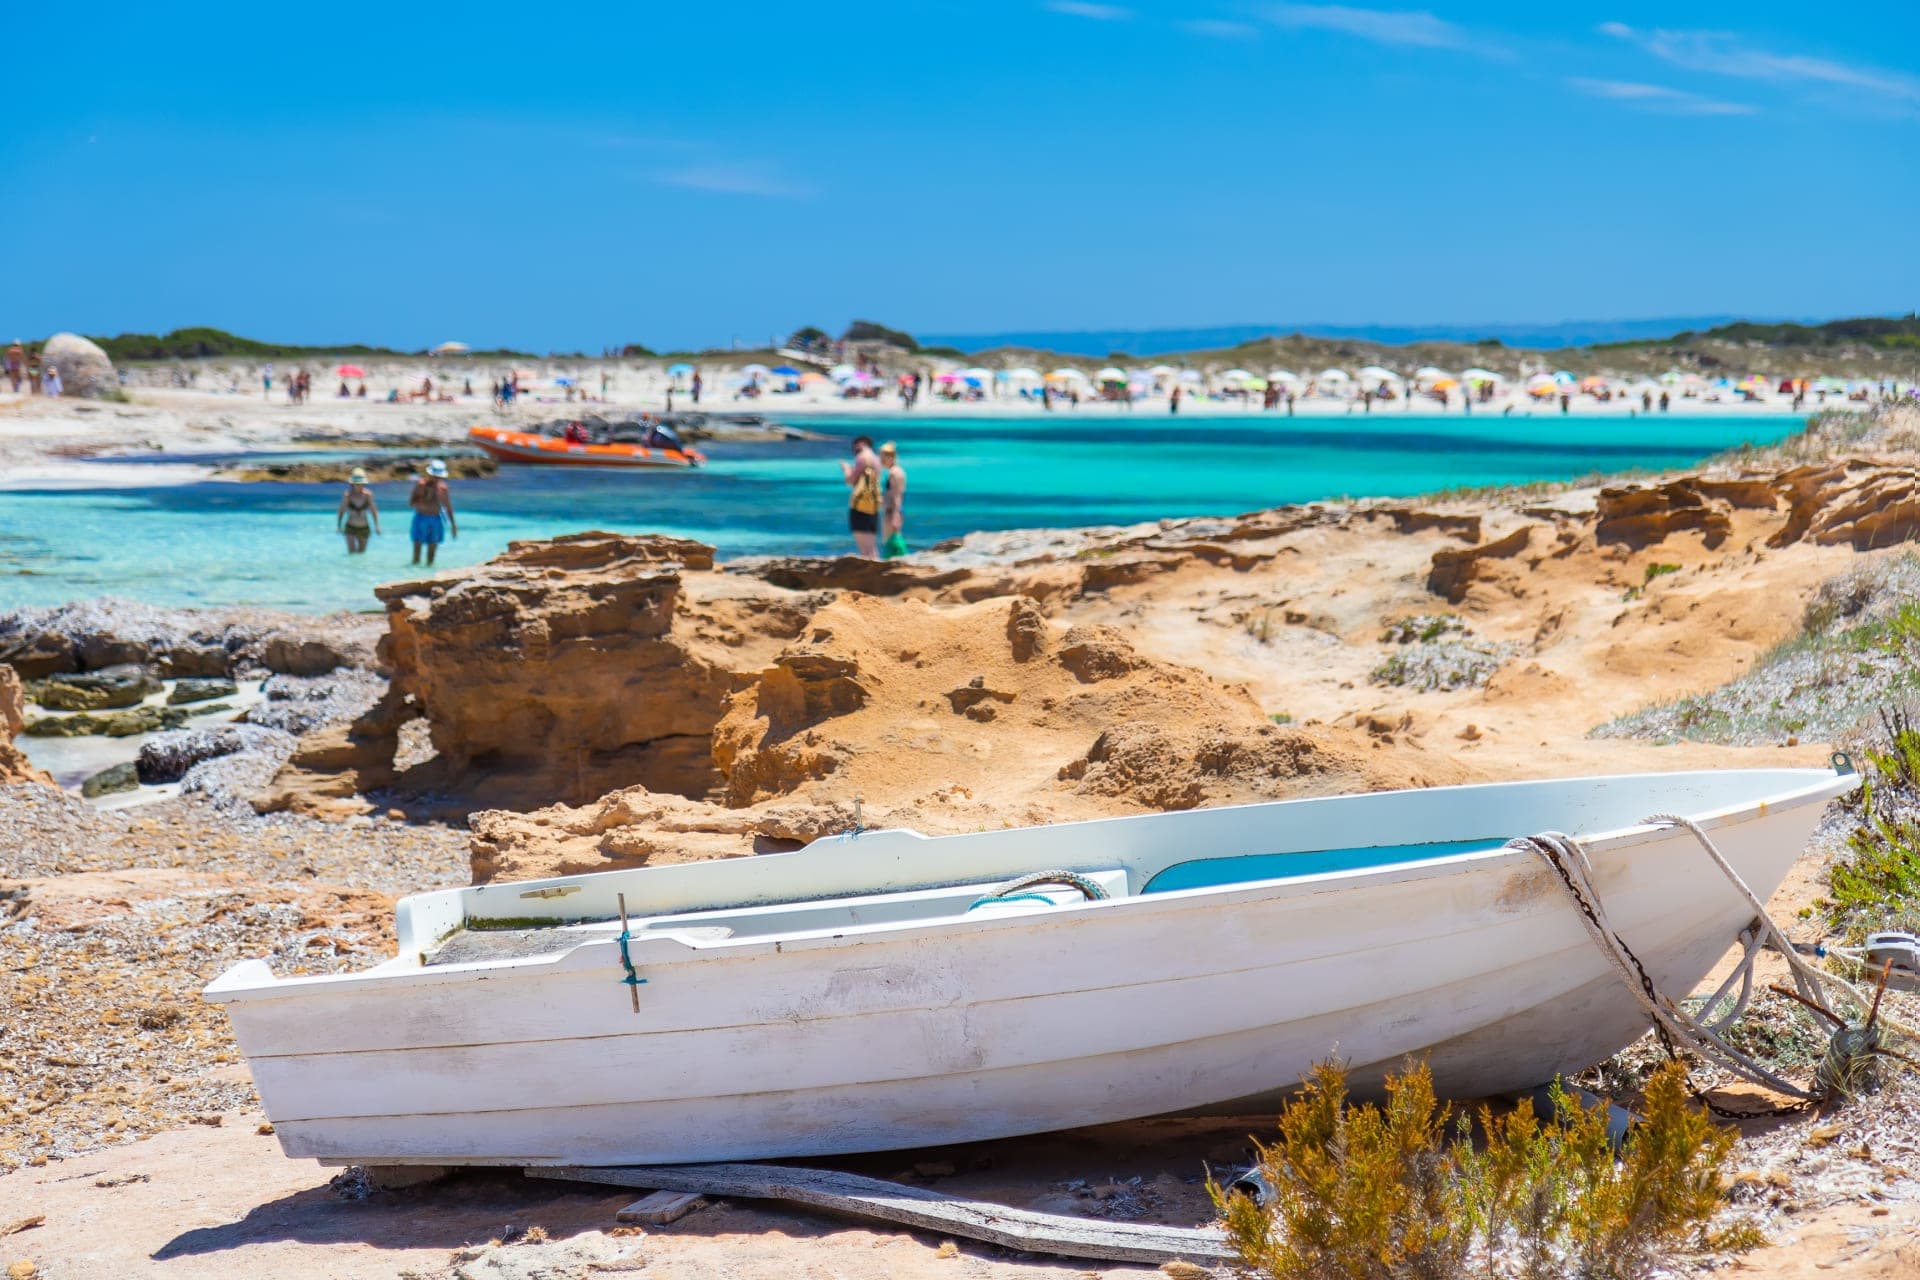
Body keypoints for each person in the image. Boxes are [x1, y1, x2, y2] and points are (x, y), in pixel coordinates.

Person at [408, 459, 457, 566]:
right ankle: (413, 574)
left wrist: (453, 525)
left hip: (436, 519)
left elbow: (448, 506)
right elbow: (411, 503)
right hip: (421, 517)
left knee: (432, 551)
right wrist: (425, 496)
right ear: (429, 474)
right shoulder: (421, 485)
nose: (436, 479)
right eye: (435, 476)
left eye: (438, 477)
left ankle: (428, 575)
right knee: (417, 550)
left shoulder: (443, 488)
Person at [841, 435, 882, 559]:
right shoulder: (876, 459)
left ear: (862, 444)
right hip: (874, 505)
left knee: (864, 547)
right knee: (872, 547)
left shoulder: (862, 457)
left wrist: (846, 469)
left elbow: (851, 481)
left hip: (860, 504)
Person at [337, 468, 381, 553]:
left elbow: (374, 511)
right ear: (353, 484)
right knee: (352, 553)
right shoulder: (348, 495)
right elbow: (341, 511)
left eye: (361, 484)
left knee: (361, 553)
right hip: (350, 527)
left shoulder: (368, 495)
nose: (359, 486)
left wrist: (377, 526)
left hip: (364, 527)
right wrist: (339, 525)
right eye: (357, 484)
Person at [878, 441, 908, 559]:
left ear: (891, 457)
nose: (881, 461)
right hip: (891, 511)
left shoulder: (895, 473)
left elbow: (897, 496)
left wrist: (895, 516)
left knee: (891, 544)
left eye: (883, 458)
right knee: (891, 543)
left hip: (892, 513)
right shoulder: (894, 472)